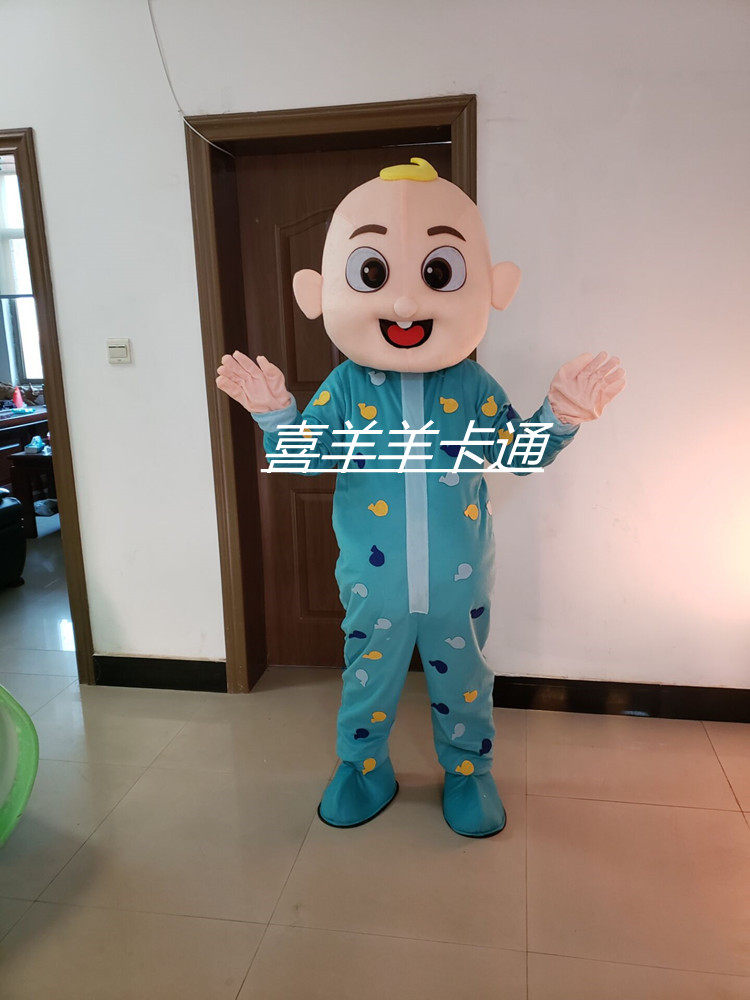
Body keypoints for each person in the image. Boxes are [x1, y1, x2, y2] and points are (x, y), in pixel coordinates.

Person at [216, 157, 625, 837]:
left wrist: (559, 417)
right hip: (371, 580)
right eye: (376, 275)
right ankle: (362, 767)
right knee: (367, 676)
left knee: (463, 675)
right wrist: (275, 414)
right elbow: (305, 457)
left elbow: (515, 455)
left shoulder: (471, 385)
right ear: (321, 290)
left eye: (435, 274)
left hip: (456, 577)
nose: (405, 306)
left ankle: (469, 771)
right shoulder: (347, 386)